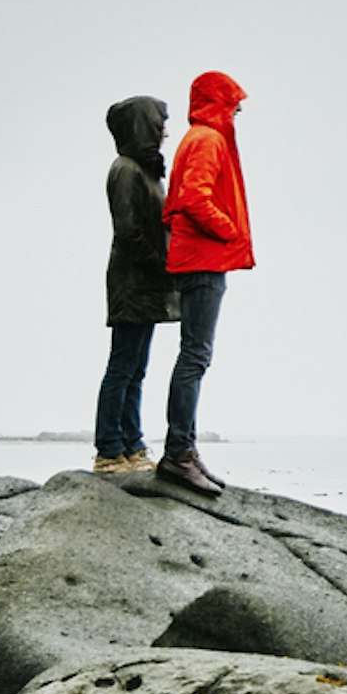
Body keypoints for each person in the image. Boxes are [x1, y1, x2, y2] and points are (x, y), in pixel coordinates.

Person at [157, 69, 252, 498]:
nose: (238, 110)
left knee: (194, 355)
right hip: (203, 259)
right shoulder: (209, 139)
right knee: (195, 355)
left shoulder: (199, 137)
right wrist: (228, 229)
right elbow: (195, 197)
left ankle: (185, 450)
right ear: (220, 101)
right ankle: (179, 452)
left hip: (197, 257)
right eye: (235, 103)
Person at [92, 95, 177, 473]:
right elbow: (128, 231)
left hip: (148, 283)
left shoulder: (149, 171)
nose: (165, 132)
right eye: (160, 124)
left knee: (137, 367)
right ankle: (109, 450)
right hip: (132, 281)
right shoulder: (125, 169)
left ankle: (133, 446)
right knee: (122, 365)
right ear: (143, 126)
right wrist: (162, 265)